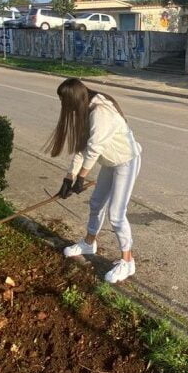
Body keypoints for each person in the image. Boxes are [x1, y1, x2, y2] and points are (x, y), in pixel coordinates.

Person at [47, 78, 142, 284]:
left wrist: (82, 177)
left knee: (116, 214)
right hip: (110, 163)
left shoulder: (100, 112)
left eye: (66, 103)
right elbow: (82, 149)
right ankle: (89, 243)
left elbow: (94, 148)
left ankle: (128, 261)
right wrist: (69, 177)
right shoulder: (86, 109)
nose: (65, 108)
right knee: (96, 203)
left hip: (126, 161)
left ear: (75, 100)